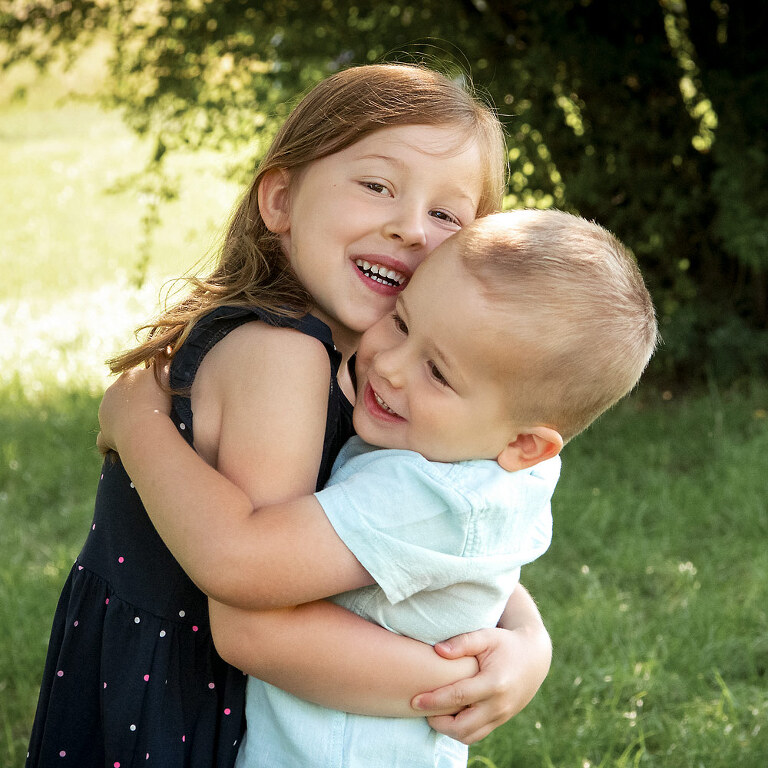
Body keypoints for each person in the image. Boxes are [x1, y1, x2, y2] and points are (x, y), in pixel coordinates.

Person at [26, 64, 554, 768]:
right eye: (376, 186)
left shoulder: (383, 372)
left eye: (447, 216)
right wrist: (464, 681)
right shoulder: (284, 354)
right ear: (281, 199)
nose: (408, 228)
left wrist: (527, 642)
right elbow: (252, 604)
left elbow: (418, 534)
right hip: (186, 692)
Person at [97, 209, 658, 767]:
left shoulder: (424, 493)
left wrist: (138, 423)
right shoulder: (501, 465)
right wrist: (529, 638)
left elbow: (239, 561)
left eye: (437, 373)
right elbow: (461, 569)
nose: (390, 366)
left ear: (527, 443)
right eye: (403, 323)